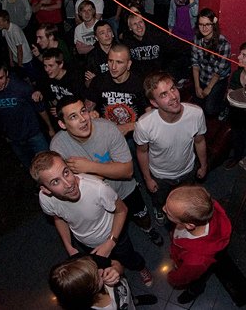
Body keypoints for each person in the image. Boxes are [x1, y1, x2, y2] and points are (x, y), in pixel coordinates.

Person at [50, 96, 163, 246]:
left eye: (83, 111)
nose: (83, 119)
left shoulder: (107, 129)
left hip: (124, 189)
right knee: (112, 232)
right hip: (95, 199)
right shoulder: (58, 147)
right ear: (62, 124)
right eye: (73, 117)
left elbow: (127, 171)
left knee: (142, 217)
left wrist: (89, 167)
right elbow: (69, 184)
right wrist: (111, 167)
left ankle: (148, 230)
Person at [30, 151, 154, 287]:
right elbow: (58, 218)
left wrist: (111, 242)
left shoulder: (97, 188)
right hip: (86, 243)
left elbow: (122, 210)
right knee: (106, 270)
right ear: (45, 189)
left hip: (115, 235)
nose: (68, 184)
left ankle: (141, 267)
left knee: (129, 257)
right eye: (55, 181)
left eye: (66, 172)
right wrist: (69, 247)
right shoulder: (45, 199)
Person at [134, 72, 208, 226]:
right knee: (160, 200)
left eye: (173, 88)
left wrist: (203, 165)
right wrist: (148, 179)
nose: (173, 96)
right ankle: (159, 209)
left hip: (188, 170)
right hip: (160, 176)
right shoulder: (144, 125)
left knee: (185, 203)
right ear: (154, 103)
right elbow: (142, 152)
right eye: (164, 94)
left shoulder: (196, 113)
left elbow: (200, 141)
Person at [164, 185, 232, 304]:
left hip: (193, 270)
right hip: (183, 251)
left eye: (169, 213)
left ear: (190, 225)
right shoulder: (203, 209)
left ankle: (193, 292)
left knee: (197, 283)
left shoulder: (195, 261)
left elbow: (183, 277)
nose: (163, 209)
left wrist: (172, 277)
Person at [0, 63, 55, 167]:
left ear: (7, 74)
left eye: (1, 78)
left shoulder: (21, 87)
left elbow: (40, 108)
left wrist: (50, 128)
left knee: (48, 164)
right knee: (30, 166)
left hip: (33, 135)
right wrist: (5, 134)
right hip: (15, 139)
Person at [85, 44, 148, 138]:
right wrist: (91, 115)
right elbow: (87, 110)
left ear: (128, 64)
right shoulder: (99, 81)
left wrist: (130, 126)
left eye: (119, 62)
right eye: (110, 61)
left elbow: (152, 117)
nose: (113, 67)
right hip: (106, 134)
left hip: (133, 136)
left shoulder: (140, 83)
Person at [49, 256, 158, 310]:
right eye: (97, 276)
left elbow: (116, 263)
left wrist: (117, 269)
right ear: (90, 290)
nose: (101, 270)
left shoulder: (82, 263)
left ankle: (135, 301)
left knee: (129, 299)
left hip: (125, 294)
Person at [191, 9, 231, 119]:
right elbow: (195, 64)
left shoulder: (223, 44)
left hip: (217, 80)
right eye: (201, 24)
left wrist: (208, 88)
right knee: (197, 107)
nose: (204, 28)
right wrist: (197, 86)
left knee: (210, 109)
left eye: (208, 24)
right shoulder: (197, 39)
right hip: (203, 76)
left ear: (213, 24)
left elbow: (218, 71)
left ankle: (225, 106)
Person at [0, 10, 37, 81]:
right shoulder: (4, 30)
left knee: (33, 79)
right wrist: (11, 60)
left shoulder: (15, 31)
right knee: (24, 80)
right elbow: (9, 45)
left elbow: (19, 49)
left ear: (5, 21)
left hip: (25, 59)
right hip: (17, 59)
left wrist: (19, 64)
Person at [84, 21, 114, 86]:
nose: (107, 35)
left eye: (109, 31)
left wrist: (97, 78)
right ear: (96, 38)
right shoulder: (92, 56)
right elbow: (87, 83)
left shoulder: (121, 51)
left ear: (112, 33)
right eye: (102, 33)